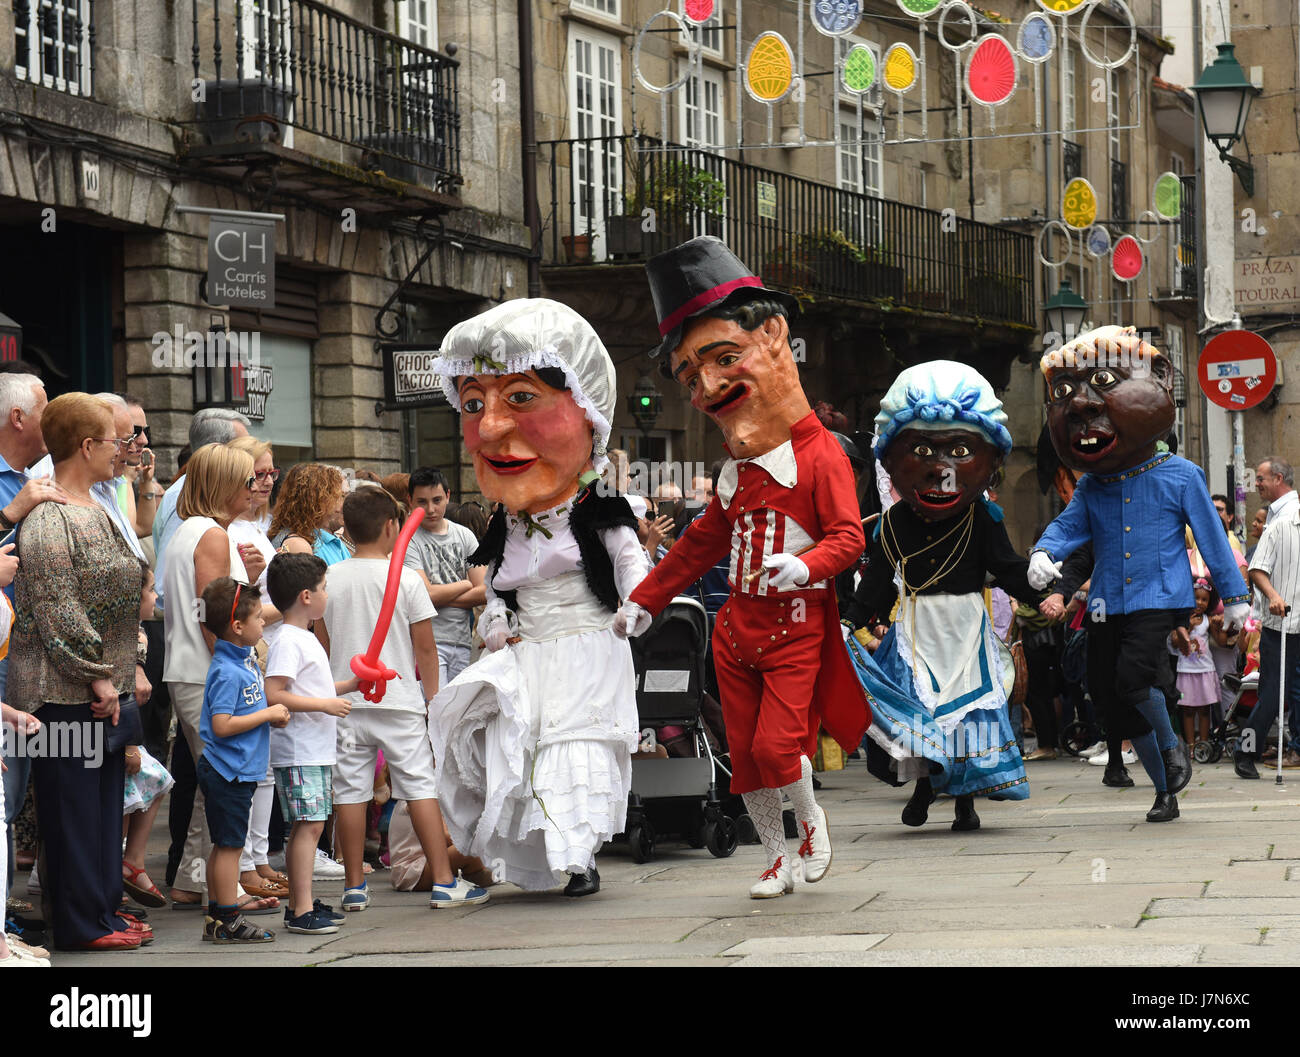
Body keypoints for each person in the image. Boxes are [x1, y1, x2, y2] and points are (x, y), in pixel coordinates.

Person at [618, 239, 871, 898]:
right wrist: (646, 598)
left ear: (774, 336)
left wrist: (807, 563)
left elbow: (848, 539)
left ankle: (811, 822)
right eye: (688, 374)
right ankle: (776, 858)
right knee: (747, 762)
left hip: (795, 630)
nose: (705, 387)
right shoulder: (736, 472)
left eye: (723, 359)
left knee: (776, 748)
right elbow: (701, 544)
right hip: (735, 635)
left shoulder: (821, 458)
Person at [429, 298, 650, 897]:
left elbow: (632, 564)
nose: (493, 427)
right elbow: (497, 585)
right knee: (523, 750)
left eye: (521, 398)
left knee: (570, 746)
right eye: (474, 405)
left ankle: (578, 856)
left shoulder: (602, 511)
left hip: (588, 643)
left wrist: (635, 605)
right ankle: (547, 851)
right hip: (529, 651)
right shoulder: (503, 525)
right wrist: (496, 621)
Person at [1029, 326, 1250, 823]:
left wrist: (1234, 597)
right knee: (1111, 699)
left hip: (1159, 596)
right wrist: (1045, 552)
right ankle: (1164, 791)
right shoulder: (1092, 484)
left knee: (1134, 678)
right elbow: (1067, 526)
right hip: (1108, 600)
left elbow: (1213, 541)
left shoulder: (1182, 474)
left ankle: (1173, 750)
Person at [843, 362, 1036, 829]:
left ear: (988, 462)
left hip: (966, 626)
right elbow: (877, 581)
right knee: (923, 712)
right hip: (917, 626)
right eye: (923, 449)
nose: (940, 468)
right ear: (892, 462)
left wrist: (1042, 589)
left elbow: (1008, 569)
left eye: (961, 450)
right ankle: (926, 787)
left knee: (967, 714)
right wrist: (851, 620)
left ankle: (965, 803)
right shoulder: (892, 523)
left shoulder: (983, 517)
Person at [10, 393, 151, 950]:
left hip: (103, 685)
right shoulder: (49, 516)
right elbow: (57, 608)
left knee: (99, 811)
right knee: (70, 814)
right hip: (61, 691)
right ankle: (78, 922)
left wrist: (123, 669)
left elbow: (122, 595)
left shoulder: (100, 503)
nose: (124, 450)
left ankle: (102, 910)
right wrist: (99, 676)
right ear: (88, 445)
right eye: (116, 441)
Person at [316, 486, 487, 910]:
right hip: (401, 701)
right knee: (418, 788)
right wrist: (434, 700)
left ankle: (355, 886)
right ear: (392, 526)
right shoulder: (405, 578)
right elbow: (425, 648)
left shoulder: (329, 578)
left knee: (351, 792)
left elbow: (322, 641)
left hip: (347, 701)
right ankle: (445, 880)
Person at [161, 443, 268, 911]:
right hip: (207, 674)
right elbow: (215, 616)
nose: (254, 489)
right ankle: (226, 892)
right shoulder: (211, 536)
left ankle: (192, 878)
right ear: (224, 485)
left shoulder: (193, 531)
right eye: (246, 480)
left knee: (212, 784)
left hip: (194, 671)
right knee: (226, 783)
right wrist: (240, 662)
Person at [264, 552, 357, 934]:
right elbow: (275, 693)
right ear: (306, 596)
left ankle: (302, 902)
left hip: (313, 748)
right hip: (300, 749)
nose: (326, 594)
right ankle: (300, 909)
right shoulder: (288, 640)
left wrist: (351, 686)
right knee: (308, 826)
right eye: (323, 588)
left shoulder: (302, 637)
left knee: (312, 825)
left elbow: (311, 687)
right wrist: (324, 705)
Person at [0, 372, 65, 912]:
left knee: (17, 786)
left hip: (28, 652)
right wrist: (13, 511)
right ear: (18, 417)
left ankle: (10, 911)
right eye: (45, 407)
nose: (53, 417)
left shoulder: (40, 476)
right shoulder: (16, 487)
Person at [196, 577, 290, 943]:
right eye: (257, 617)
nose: (263, 621)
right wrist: (267, 714)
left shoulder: (242, 658)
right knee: (230, 847)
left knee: (226, 845)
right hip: (227, 772)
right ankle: (226, 918)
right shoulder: (226, 670)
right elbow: (221, 725)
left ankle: (220, 917)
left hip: (237, 772)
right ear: (237, 626)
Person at [225, 436, 285, 900]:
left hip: (260, 650)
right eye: (257, 475)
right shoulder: (227, 531)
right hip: (242, 655)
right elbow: (233, 606)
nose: (266, 482)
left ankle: (258, 859)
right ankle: (244, 864)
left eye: (270, 473)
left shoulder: (255, 526)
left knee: (261, 768)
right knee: (243, 769)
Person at [153, 408, 251, 611]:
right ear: (221, 451)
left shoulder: (198, 507)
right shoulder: (187, 498)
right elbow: (169, 592)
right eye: (243, 449)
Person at [404, 466, 485, 686]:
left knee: (459, 713)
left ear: (448, 496)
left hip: (463, 641)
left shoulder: (464, 535)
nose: (430, 509)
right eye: (422, 502)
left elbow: (484, 590)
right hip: (427, 643)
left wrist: (439, 596)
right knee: (437, 710)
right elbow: (425, 595)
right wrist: (465, 584)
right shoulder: (408, 539)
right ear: (410, 500)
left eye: (437, 500)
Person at [121, 566, 173, 910]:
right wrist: (127, 746)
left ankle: (131, 861)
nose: (155, 597)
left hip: (126, 734)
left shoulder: (136, 632)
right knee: (122, 801)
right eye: (151, 590)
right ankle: (115, 874)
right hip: (112, 737)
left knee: (157, 779)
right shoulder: (118, 637)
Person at [1241, 491, 1300, 776]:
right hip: (1282, 626)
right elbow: (1256, 569)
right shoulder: (1280, 526)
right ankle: (1245, 750)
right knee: (1272, 695)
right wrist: (1274, 596)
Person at [269, 463, 349, 566]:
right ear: (315, 500)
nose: (340, 507)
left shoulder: (326, 539)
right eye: (337, 497)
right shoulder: (296, 544)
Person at [1257, 457, 1298, 528]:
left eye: (1260, 479)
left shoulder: (1289, 515)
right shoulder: (1279, 512)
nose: (1256, 484)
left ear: (1278, 479)